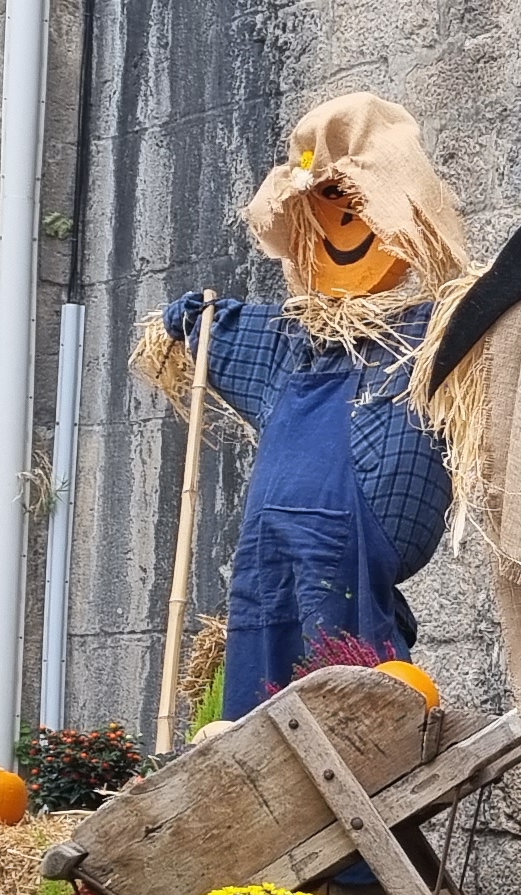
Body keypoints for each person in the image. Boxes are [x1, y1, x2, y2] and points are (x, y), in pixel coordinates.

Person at [146, 91, 470, 720]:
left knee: (343, 676)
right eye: (322, 201)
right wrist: (195, 326)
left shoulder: (431, 333)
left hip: (348, 552)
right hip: (265, 560)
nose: (342, 216)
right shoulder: (288, 341)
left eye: (357, 200)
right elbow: (226, 338)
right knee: (261, 667)